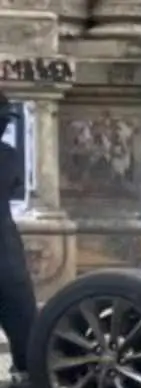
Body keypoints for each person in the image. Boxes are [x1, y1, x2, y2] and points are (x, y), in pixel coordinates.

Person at [0, 92, 36, 373]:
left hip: (6, 257)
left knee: (26, 334)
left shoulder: (7, 155)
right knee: (26, 334)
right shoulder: (7, 156)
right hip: (6, 256)